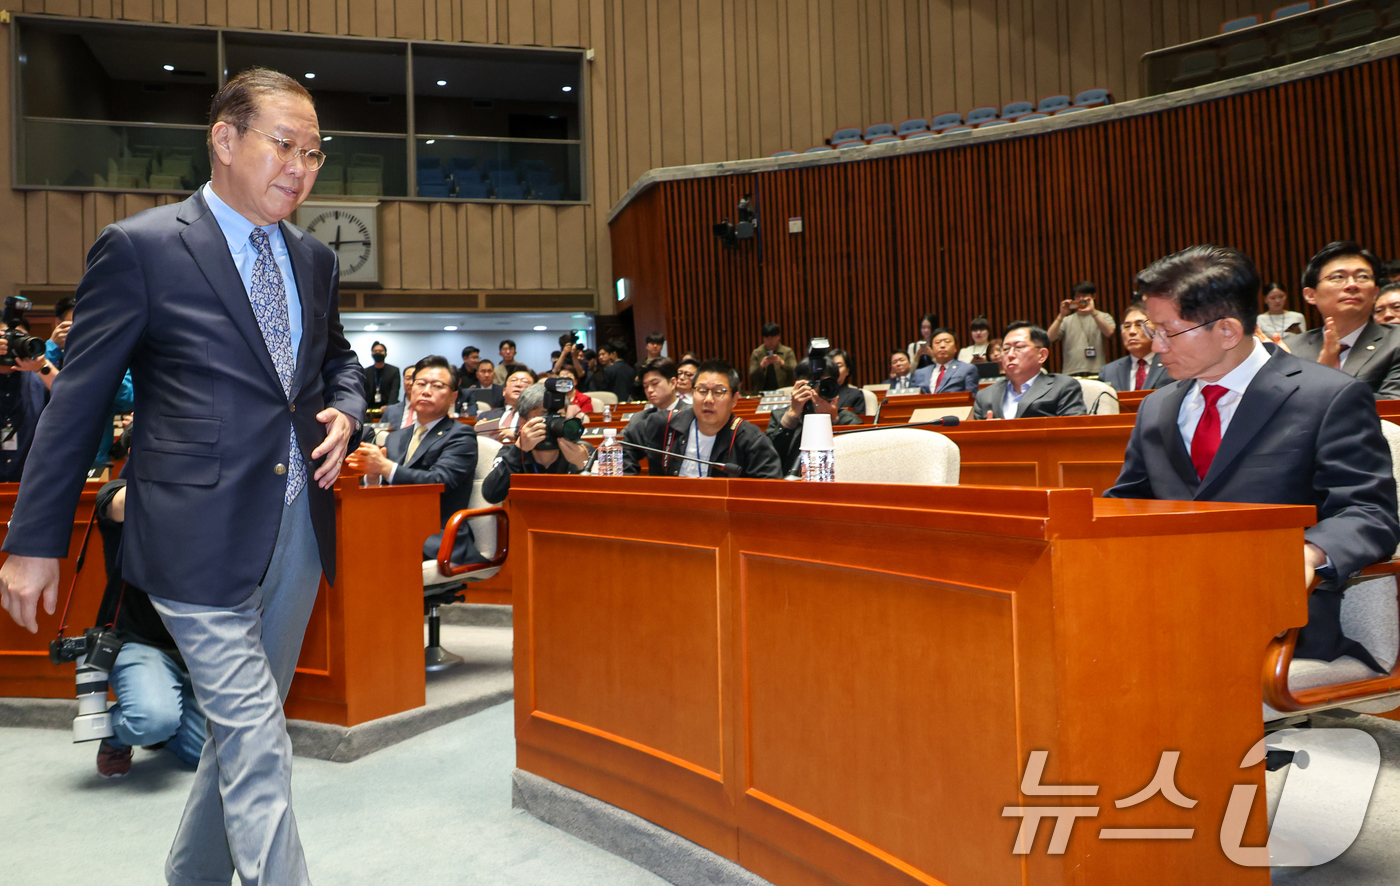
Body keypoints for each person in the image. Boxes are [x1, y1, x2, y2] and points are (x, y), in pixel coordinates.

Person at [0, 68, 365, 885]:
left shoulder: (312, 258)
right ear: (225, 139)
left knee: (248, 729)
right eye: (285, 145)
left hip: (298, 531)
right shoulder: (144, 248)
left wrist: (348, 409)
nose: (301, 168)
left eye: (314, 153)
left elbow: (335, 364)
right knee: (259, 740)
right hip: (192, 536)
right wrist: (34, 539)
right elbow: (78, 404)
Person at [1107, 244, 1399, 672]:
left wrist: (1308, 553)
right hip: (1167, 612)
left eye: (1167, 331)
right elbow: (1127, 503)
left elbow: (1370, 512)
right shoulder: (1158, 406)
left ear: (1227, 330)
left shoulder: (1327, 397)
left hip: (1277, 626)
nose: (1155, 346)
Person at [92, 478, 210, 777]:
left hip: (195, 649)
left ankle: (164, 728)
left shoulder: (207, 497)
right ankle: (116, 733)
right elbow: (121, 503)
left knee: (210, 755)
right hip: (138, 643)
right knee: (151, 721)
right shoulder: (117, 491)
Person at [350, 356, 481, 565]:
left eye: (437, 386)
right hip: (395, 526)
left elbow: (439, 481)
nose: (426, 390)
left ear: (453, 396)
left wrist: (386, 467)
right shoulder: (396, 437)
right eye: (420, 383)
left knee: (372, 550)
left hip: (437, 533)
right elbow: (383, 491)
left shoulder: (461, 435)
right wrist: (373, 477)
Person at [1279, 241, 1400, 400]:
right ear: (1310, 295)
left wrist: (1326, 382)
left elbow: (1393, 407)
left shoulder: (1395, 342)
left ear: (1375, 293)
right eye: (1338, 277)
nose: (1352, 285)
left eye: (1362, 277)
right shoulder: (1289, 350)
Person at [623, 359, 781, 478]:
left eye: (719, 392)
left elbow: (771, 489)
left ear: (734, 399)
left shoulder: (751, 440)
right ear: (692, 393)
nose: (708, 399)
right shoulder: (665, 423)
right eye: (702, 390)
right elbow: (624, 446)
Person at [48, 295, 135, 470]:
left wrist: (102, 359)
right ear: (58, 324)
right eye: (73, 324)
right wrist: (51, 348)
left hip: (95, 458)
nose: (80, 330)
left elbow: (128, 399)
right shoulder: (43, 356)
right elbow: (29, 386)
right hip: (50, 456)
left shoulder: (110, 357)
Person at [481, 382, 592, 503]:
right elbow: (490, 495)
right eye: (545, 415)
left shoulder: (581, 450)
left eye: (559, 415)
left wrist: (583, 468)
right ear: (524, 421)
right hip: (524, 519)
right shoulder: (511, 452)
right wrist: (519, 451)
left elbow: (600, 506)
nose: (553, 421)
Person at [765, 359, 862, 476]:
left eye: (824, 385)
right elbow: (768, 459)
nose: (817, 391)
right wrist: (791, 416)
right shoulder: (780, 416)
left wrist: (833, 421)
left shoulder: (847, 419)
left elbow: (857, 460)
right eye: (812, 384)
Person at [973, 322, 1087, 419]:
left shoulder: (1063, 387)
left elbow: (1074, 434)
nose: (1010, 355)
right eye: (1006, 349)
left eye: (1019, 347)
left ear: (1042, 355)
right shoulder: (985, 395)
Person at [0, 326, 55, 482]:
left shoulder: (40, 378)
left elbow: (72, 399)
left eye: (19, 340)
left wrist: (42, 365)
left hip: (32, 482)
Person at [1048, 280, 1115, 376]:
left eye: (1084, 296)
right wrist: (1061, 315)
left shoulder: (1103, 316)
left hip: (1097, 371)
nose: (1081, 299)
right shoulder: (1066, 320)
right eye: (1078, 296)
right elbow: (1050, 338)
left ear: (1094, 297)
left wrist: (1093, 312)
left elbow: (1110, 333)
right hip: (1071, 372)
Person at [1099, 303, 1170, 392]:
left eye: (1139, 325)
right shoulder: (1109, 371)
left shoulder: (1172, 363)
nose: (1132, 332)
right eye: (1127, 326)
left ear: (1157, 328)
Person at [910, 328, 979, 393]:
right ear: (931, 349)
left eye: (947, 342)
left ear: (955, 348)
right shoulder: (919, 373)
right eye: (938, 342)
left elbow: (971, 398)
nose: (942, 345)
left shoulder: (967, 369)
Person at [476, 367, 536, 441]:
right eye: (513, 380)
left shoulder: (536, 417)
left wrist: (516, 437)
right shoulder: (485, 416)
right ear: (504, 391)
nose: (518, 384)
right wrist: (477, 432)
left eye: (524, 382)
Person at [629, 357, 685, 422]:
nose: (649, 390)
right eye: (646, 386)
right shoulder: (640, 418)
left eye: (655, 383)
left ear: (672, 383)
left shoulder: (690, 414)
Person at [747, 322, 797, 392]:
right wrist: (762, 366)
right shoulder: (757, 353)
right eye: (767, 338)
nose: (770, 341)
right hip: (761, 392)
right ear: (763, 338)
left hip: (783, 391)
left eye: (772, 338)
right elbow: (752, 376)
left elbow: (795, 372)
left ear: (778, 337)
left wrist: (782, 363)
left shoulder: (787, 352)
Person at [361, 341, 400, 410]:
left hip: (388, 407)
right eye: (375, 351)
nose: (378, 353)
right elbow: (362, 391)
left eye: (380, 351)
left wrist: (389, 406)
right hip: (368, 408)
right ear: (372, 353)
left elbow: (394, 390)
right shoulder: (365, 371)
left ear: (385, 353)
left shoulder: (394, 371)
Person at [828, 347, 866, 415]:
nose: (835, 370)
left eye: (839, 366)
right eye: (831, 366)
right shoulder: (817, 394)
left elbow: (858, 422)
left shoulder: (856, 395)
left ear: (847, 371)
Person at [382, 365, 417, 429]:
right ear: (403, 381)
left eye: (415, 379)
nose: (411, 382)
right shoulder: (390, 410)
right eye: (408, 378)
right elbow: (380, 434)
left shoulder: (430, 409)